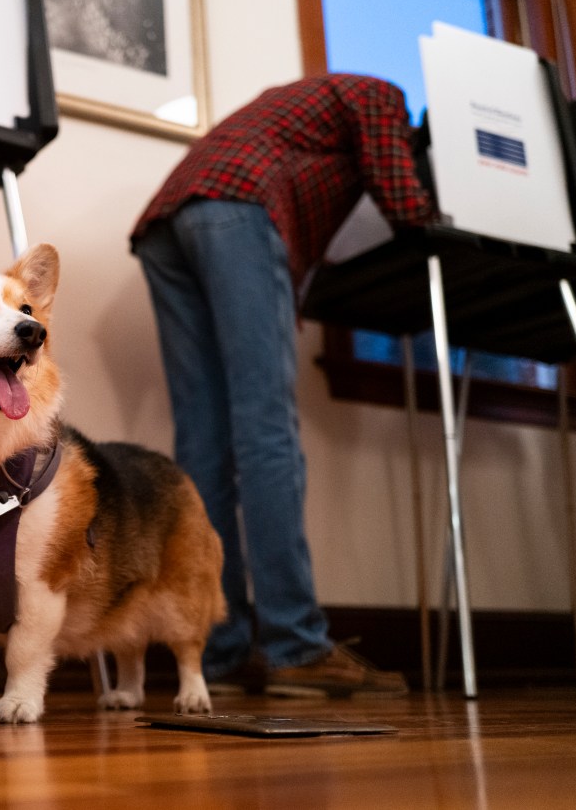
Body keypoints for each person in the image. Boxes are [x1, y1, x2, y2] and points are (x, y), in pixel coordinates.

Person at [131, 74, 438, 697]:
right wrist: (445, 220)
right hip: (235, 208)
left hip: (166, 225)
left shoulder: (301, 131)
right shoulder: (385, 98)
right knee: (267, 429)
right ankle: (295, 645)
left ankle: (217, 648)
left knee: (203, 446)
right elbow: (406, 205)